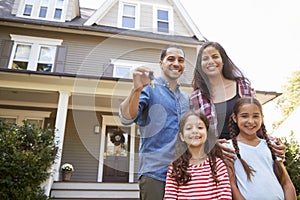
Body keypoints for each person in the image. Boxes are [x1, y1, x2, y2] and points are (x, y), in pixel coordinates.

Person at [189, 41, 286, 160]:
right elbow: (195, 132)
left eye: (215, 56)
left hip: (247, 152)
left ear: (223, 60)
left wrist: (272, 143)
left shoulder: (242, 85)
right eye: (205, 58)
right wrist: (210, 145)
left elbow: (255, 119)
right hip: (218, 158)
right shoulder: (196, 97)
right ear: (200, 65)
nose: (211, 61)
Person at [119, 44, 190, 200]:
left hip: (184, 174)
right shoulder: (148, 89)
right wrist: (136, 90)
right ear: (161, 63)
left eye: (181, 60)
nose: (176, 63)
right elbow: (126, 118)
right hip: (155, 174)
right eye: (170, 59)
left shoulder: (186, 98)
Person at [225, 97, 296, 200]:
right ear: (235, 118)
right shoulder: (228, 148)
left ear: (262, 118)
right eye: (244, 116)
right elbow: (232, 186)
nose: (250, 121)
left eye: (255, 116)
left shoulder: (272, 146)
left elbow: (286, 183)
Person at [164, 110, 232, 199]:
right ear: (181, 136)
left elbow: (225, 196)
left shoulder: (217, 165)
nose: (195, 131)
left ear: (207, 133)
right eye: (189, 128)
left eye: (200, 127)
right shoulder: (175, 166)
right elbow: (170, 197)